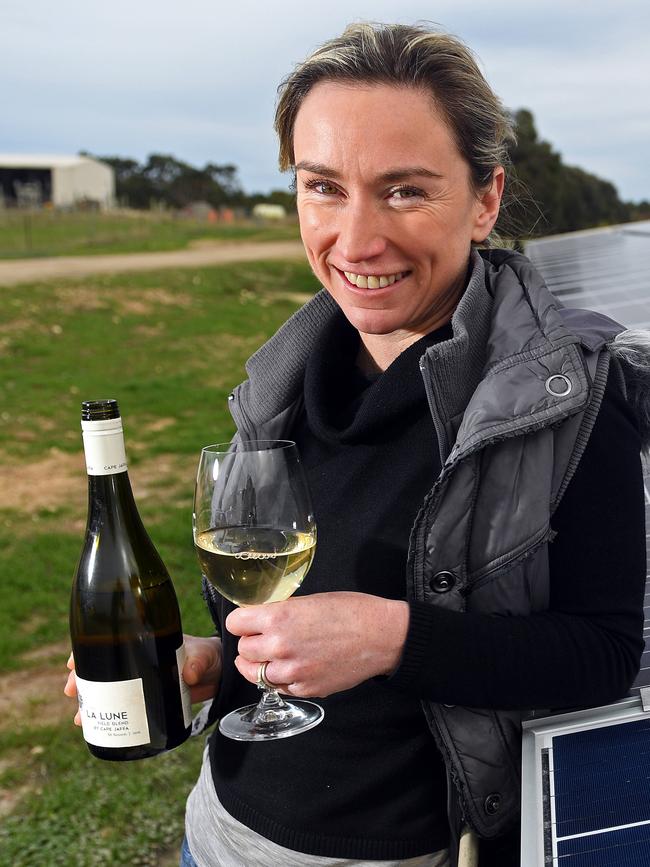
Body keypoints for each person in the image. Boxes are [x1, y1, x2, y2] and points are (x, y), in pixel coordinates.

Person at [65, 22, 649, 867]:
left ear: (486, 198)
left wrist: (393, 638)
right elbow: (290, 623)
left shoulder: (575, 393)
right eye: (323, 187)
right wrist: (211, 662)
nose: (357, 238)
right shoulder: (280, 382)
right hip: (218, 832)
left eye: (405, 191)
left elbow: (603, 654)